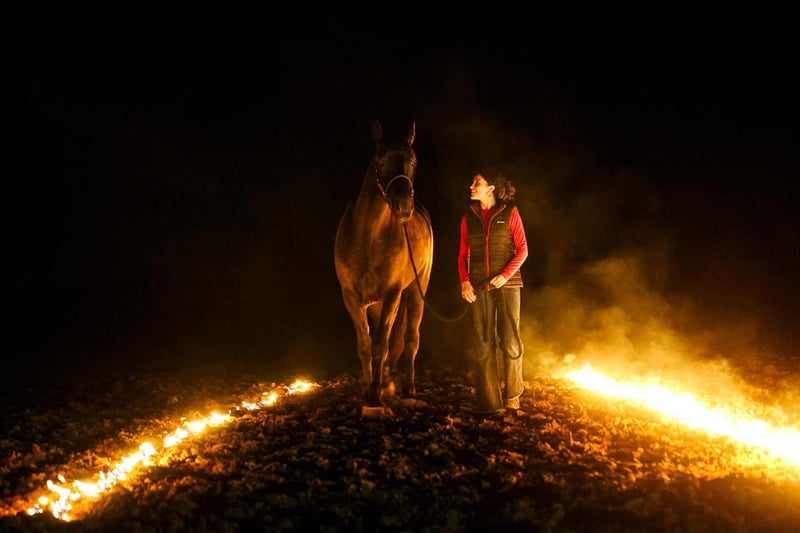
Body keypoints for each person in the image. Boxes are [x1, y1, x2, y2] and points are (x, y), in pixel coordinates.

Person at [458, 169, 529, 414]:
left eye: (476, 182)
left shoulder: (510, 213)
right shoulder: (468, 219)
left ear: (491, 188)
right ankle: (490, 402)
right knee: (483, 342)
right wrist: (465, 282)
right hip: (479, 286)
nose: (471, 186)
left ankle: (513, 395)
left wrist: (505, 275)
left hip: (508, 286)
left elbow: (523, 249)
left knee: (510, 340)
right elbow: (462, 256)